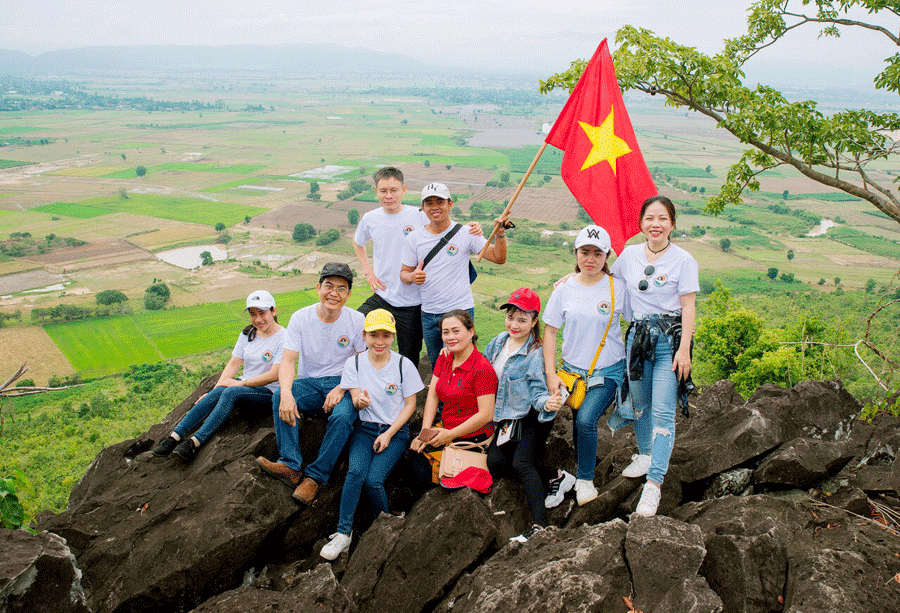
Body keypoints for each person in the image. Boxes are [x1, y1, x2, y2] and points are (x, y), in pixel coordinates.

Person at [611, 195, 698, 517]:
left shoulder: (684, 260)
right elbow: (610, 281)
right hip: (636, 340)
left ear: (672, 223)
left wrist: (684, 348)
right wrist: (574, 278)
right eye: (649, 218)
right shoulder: (630, 254)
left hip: (668, 342)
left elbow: (688, 304)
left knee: (663, 411)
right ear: (641, 223)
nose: (655, 225)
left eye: (662, 218)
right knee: (640, 404)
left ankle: (654, 484)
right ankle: (646, 453)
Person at [256, 262, 366, 505]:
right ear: (318, 287)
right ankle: (290, 465)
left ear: (348, 294)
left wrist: (342, 388)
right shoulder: (301, 318)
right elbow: (288, 362)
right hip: (310, 383)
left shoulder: (357, 320)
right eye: (328, 286)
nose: (333, 293)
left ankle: (315, 477)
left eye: (341, 288)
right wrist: (286, 392)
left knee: (343, 416)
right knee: (279, 398)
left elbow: (362, 363)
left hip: (343, 384)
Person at [320, 309, 425, 560]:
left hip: (395, 433)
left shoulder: (403, 365)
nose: (380, 341)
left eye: (386, 335)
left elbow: (411, 404)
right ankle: (344, 533)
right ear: (364, 335)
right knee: (355, 472)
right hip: (365, 430)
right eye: (374, 335)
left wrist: (389, 434)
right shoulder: (355, 362)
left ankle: (385, 526)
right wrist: (359, 403)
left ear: (393, 337)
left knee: (373, 480)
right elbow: (355, 397)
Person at [353, 167, 482, 366]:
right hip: (384, 295)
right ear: (376, 192)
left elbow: (446, 227)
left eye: (394, 190)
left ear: (403, 189)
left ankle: (408, 392)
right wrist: (368, 272)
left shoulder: (419, 215)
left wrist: (474, 228)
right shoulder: (370, 218)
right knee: (354, 324)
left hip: (413, 302)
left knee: (409, 355)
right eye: (383, 191)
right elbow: (358, 242)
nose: (389, 196)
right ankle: (363, 376)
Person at [542, 225, 629, 507]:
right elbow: (551, 331)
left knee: (585, 420)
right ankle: (581, 470)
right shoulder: (565, 289)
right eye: (584, 252)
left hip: (608, 370)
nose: (590, 258)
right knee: (579, 423)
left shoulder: (618, 287)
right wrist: (551, 373)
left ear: (607, 256)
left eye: (597, 253)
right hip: (572, 371)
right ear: (576, 253)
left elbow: (637, 317)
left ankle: (586, 479)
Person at [152, 290, 285, 461]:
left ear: (273, 311)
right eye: (253, 314)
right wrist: (215, 391)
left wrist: (240, 383)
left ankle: (195, 442)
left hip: (268, 392)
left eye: (262, 313)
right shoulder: (248, 333)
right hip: (245, 385)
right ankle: (174, 437)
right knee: (221, 390)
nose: (258, 319)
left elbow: (274, 375)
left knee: (231, 391)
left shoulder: (284, 337)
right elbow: (234, 363)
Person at [483, 288, 564, 543]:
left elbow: (538, 391)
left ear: (534, 322)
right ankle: (555, 475)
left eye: (522, 319)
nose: (514, 324)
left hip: (532, 416)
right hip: (506, 416)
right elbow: (481, 368)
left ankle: (540, 525)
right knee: (495, 463)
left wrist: (548, 403)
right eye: (511, 317)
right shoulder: (497, 342)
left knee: (521, 463)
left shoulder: (535, 353)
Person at [400, 182, 508, 369]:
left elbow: (498, 258)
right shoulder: (414, 238)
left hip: (460, 312)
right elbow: (403, 274)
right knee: (438, 367)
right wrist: (412, 277)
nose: (435, 207)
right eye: (429, 203)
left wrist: (499, 234)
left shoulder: (466, 233)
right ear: (423, 208)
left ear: (450, 204)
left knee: (462, 365)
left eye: (440, 202)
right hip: (430, 313)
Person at [410, 310, 497, 454]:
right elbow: (433, 395)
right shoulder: (445, 358)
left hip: (471, 436)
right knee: (414, 450)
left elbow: (486, 414)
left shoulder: (482, 368)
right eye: (445, 332)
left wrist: (450, 435)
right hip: (446, 429)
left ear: (471, 332)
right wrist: (424, 432)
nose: (450, 337)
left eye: (456, 331)